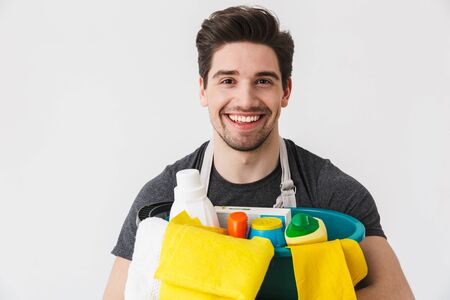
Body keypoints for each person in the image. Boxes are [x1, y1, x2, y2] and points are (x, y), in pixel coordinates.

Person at [103, 5, 413, 299]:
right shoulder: (162, 200)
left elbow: (398, 295)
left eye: (263, 81)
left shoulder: (334, 195)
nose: (246, 99)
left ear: (285, 92)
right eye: (228, 80)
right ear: (203, 90)